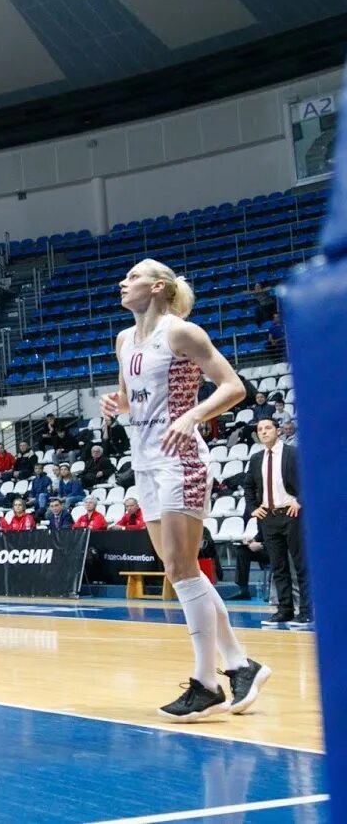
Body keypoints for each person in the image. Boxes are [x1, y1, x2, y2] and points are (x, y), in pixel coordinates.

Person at [99, 259, 268, 721]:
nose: (123, 282)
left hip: (182, 457)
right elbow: (133, 399)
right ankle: (239, 664)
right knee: (180, 570)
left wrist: (193, 415)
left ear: (157, 287)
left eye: (132, 277)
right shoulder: (123, 340)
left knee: (181, 567)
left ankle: (206, 681)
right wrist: (117, 403)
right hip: (146, 459)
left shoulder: (181, 332)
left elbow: (234, 386)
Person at [243, 418, 308, 629]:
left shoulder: (293, 453)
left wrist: (299, 501)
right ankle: (285, 610)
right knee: (278, 567)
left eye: (268, 428)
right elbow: (248, 487)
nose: (263, 432)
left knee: (300, 565)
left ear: (277, 431)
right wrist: (253, 508)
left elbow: (309, 478)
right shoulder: (255, 458)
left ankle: (306, 612)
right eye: (260, 429)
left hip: (291, 514)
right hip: (268, 518)